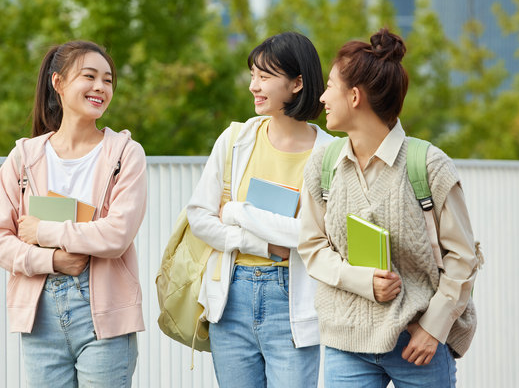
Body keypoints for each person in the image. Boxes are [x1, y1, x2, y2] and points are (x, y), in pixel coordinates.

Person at [297, 28, 480, 387]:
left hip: (418, 343)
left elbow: (463, 258)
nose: (321, 97)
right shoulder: (322, 165)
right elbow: (312, 246)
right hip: (345, 342)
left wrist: (435, 327)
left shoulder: (429, 165)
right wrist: (363, 281)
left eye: (329, 86)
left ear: (354, 96)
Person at [0, 40, 147, 387]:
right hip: (39, 316)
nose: (101, 87)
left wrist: (44, 232)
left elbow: (117, 234)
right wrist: (54, 261)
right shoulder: (24, 157)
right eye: (90, 76)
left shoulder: (125, 154)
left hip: (104, 314)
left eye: (108, 80)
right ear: (58, 83)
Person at [186, 32, 334, 388]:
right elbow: (199, 217)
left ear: (298, 83)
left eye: (265, 77)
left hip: (292, 302)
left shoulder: (331, 154)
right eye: (253, 75)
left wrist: (238, 211)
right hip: (231, 297)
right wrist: (262, 245)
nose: (254, 85)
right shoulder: (236, 138)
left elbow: (314, 235)